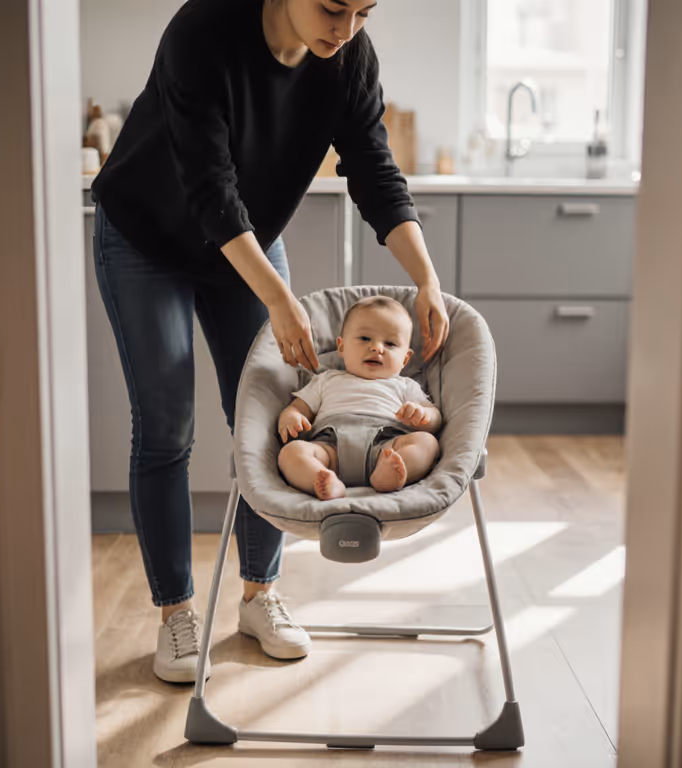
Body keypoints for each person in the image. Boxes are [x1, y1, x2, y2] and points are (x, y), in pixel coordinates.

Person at [90, 0, 451, 683]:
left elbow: (373, 168)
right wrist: (279, 299)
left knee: (266, 422)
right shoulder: (204, 31)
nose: (346, 30)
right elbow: (211, 187)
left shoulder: (348, 57)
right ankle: (176, 615)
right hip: (146, 238)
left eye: (365, 12)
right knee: (166, 427)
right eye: (333, 8)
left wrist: (426, 278)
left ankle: (260, 595)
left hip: (247, 241)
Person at [277, 296, 442, 499]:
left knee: (428, 443)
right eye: (364, 338)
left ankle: (386, 476)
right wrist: (291, 418)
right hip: (330, 449)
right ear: (341, 347)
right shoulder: (325, 379)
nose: (376, 348)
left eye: (390, 343)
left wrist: (423, 415)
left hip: (386, 446)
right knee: (291, 452)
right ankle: (323, 478)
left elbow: (435, 419)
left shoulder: (405, 385)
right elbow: (297, 408)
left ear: (405, 359)